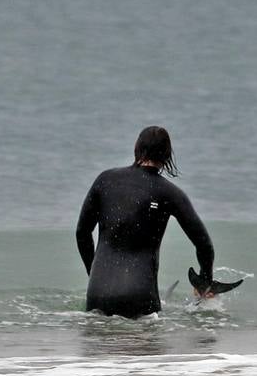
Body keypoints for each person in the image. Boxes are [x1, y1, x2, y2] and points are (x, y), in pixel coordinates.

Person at [75, 126, 215, 317]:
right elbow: (204, 245)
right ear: (166, 156)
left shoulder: (105, 180)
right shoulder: (170, 193)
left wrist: (95, 276)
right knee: (143, 345)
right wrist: (204, 283)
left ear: (136, 148)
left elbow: (82, 233)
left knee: (103, 346)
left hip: (98, 297)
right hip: (140, 300)